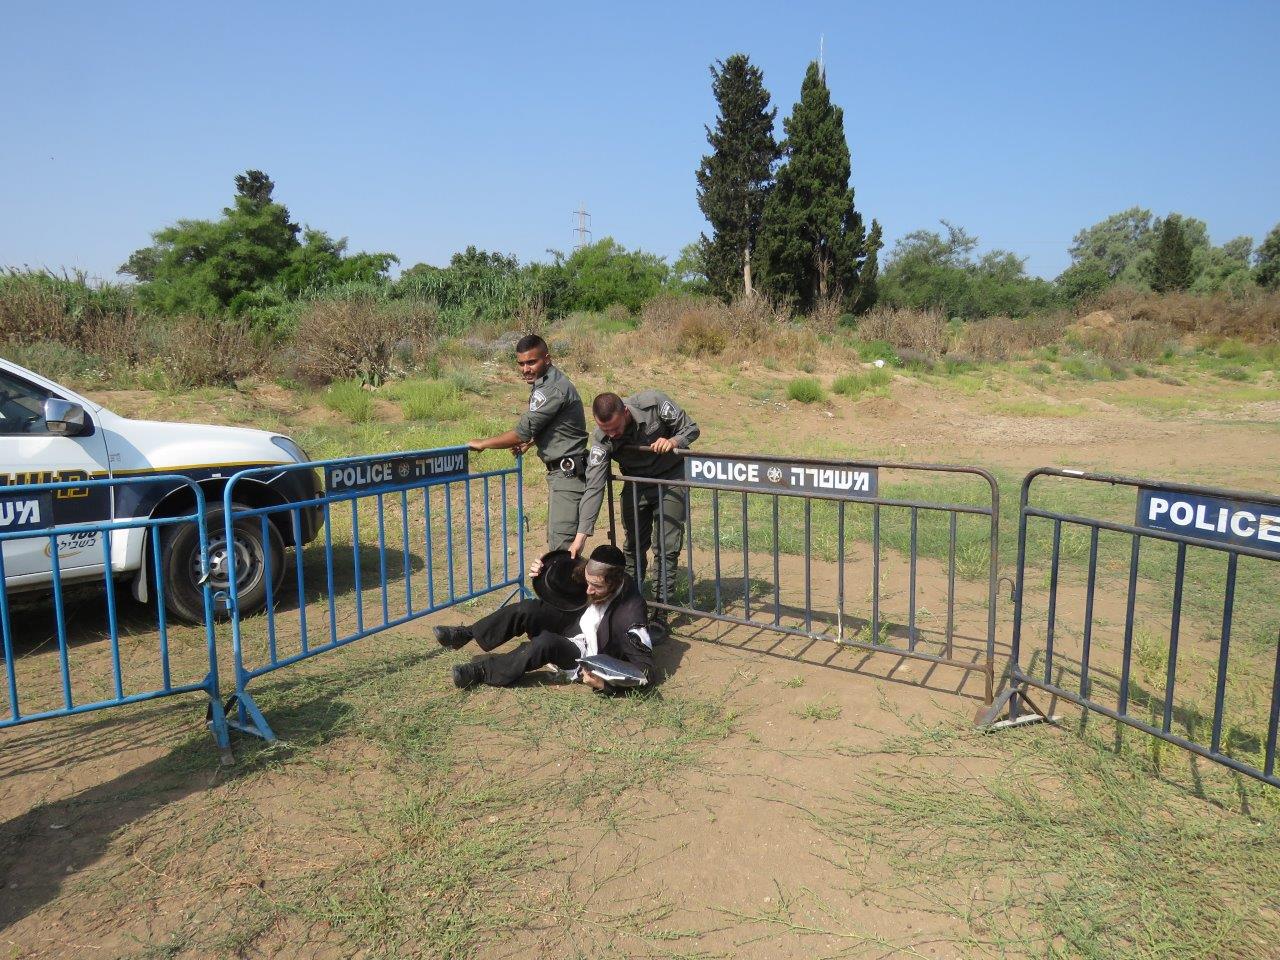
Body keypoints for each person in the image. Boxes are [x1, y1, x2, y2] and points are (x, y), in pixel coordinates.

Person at [435, 544, 653, 690]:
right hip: (576, 622)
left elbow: (643, 670)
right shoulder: (593, 575)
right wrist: (541, 568)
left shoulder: (630, 613)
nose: (588, 590)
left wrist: (605, 684)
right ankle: (468, 634)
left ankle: (482, 671)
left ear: (615, 582)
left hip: (587, 652)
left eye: (595, 586)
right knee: (529, 609)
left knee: (544, 643)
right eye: (588, 582)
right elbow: (563, 573)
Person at [571, 391, 699, 621]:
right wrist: (582, 535)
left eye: (615, 429)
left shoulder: (654, 405)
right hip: (635, 483)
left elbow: (691, 428)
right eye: (606, 430)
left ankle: (661, 611)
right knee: (633, 547)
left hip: (670, 479)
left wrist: (672, 441)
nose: (611, 435)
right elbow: (595, 485)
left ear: (626, 413)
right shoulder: (601, 437)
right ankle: (629, 603)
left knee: (666, 548)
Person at [467, 334, 588, 553]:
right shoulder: (549, 382)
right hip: (562, 472)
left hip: (568, 474)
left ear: (547, 359)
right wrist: (531, 443)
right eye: (521, 363)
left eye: (532, 362)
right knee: (559, 543)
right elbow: (557, 424)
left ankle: (584, 587)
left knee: (562, 548)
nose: (525, 369)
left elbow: (521, 432)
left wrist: (484, 443)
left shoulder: (551, 390)